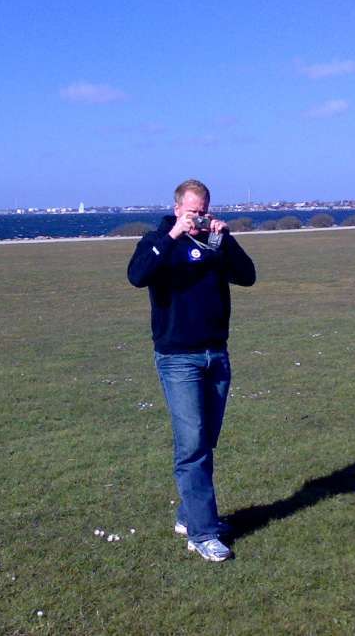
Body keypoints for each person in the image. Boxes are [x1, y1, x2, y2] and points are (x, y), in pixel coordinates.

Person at [127, 179, 256, 562]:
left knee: (206, 440)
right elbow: (137, 275)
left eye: (203, 212)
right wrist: (172, 235)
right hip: (178, 357)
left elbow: (247, 276)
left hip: (216, 354)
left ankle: (190, 515)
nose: (197, 218)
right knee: (192, 445)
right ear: (177, 208)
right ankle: (203, 533)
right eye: (191, 212)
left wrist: (225, 239)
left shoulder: (214, 244)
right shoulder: (157, 240)